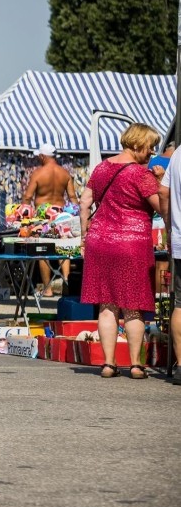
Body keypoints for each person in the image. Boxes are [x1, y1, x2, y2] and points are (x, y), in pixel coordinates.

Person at [80, 123, 161, 380]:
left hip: (100, 241)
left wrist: (84, 236)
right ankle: (136, 365)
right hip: (131, 243)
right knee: (133, 307)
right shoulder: (141, 174)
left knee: (107, 305)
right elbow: (161, 205)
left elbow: (84, 202)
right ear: (137, 144)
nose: (152, 152)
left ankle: (108, 364)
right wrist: (159, 181)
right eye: (150, 147)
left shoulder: (102, 167)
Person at [22, 142, 78, 297]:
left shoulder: (38, 173)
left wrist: (25, 217)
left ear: (42, 156)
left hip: (43, 214)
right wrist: (77, 217)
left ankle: (47, 289)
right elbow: (73, 197)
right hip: (62, 214)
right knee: (63, 248)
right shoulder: (65, 173)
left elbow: (27, 197)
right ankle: (67, 282)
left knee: (43, 250)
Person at [157, 142, 181, 385]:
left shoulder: (178, 154)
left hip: (180, 239)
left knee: (180, 304)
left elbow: (163, 192)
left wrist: (168, 223)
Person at [150, 141, 175, 292]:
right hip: (167, 215)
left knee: (159, 261)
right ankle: (165, 299)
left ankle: (159, 301)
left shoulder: (152, 162)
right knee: (166, 262)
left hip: (153, 216)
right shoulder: (176, 161)